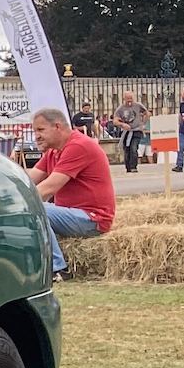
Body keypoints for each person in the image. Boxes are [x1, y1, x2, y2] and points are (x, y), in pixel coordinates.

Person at [29, 107, 114, 280]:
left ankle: (57, 268)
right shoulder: (54, 151)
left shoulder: (78, 146)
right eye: (34, 131)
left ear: (57, 127)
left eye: (40, 130)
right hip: (72, 215)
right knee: (34, 207)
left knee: (37, 209)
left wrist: (14, 204)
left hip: (93, 219)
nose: (36, 136)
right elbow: (28, 180)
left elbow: (48, 188)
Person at [114, 89, 149, 173]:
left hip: (136, 130)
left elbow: (146, 113)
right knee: (127, 149)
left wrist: (143, 124)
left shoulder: (138, 105)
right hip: (126, 131)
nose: (129, 100)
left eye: (131, 98)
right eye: (127, 98)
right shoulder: (120, 109)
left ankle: (134, 167)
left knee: (134, 148)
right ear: (124, 99)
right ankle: (128, 167)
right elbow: (115, 120)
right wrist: (122, 124)